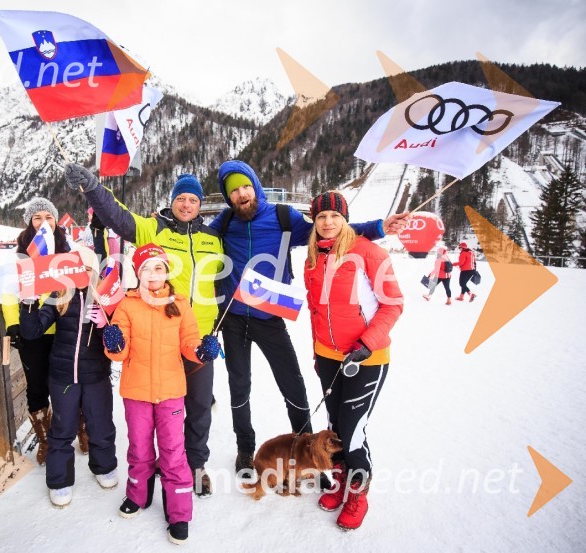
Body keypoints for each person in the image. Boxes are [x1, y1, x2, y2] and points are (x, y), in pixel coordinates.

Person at [210, 160, 407, 474]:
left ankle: (303, 445)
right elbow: (195, 242)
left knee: (292, 383)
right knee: (239, 385)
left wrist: (380, 227)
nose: (241, 193)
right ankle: (245, 448)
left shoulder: (281, 216)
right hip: (232, 317)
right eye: (233, 190)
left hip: (269, 315)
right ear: (227, 196)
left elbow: (330, 227)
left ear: (255, 185)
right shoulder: (224, 222)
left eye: (246, 186)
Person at [64, 164, 223, 496]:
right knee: (154, 410)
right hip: (158, 334)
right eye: (181, 197)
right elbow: (117, 216)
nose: (187, 204)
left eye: (193, 199)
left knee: (198, 407)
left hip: (197, 337)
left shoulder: (214, 238)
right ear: (173, 201)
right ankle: (148, 468)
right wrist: (92, 188)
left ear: (199, 204)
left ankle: (194, 465)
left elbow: (228, 279)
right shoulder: (155, 229)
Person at [101, 243, 221, 545]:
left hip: (170, 393)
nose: (152, 274)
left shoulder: (180, 304)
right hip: (136, 391)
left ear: (166, 271)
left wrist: (201, 351)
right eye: (145, 269)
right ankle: (138, 495)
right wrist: (114, 345)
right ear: (137, 274)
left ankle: (179, 513)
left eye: (157, 268)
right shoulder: (127, 306)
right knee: (139, 449)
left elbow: (189, 342)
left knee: (173, 452)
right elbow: (120, 350)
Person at [304, 191, 403, 531]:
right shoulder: (313, 258)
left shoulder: (369, 252)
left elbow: (393, 305)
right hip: (330, 358)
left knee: (352, 429)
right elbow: (316, 312)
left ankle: (359, 493)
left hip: (366, 358)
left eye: (334, 216)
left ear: (345, 219)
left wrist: (366, 343)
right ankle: (342, 480)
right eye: (321, 217)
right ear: (314, 223)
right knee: (335, 427)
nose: (327, 223)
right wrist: (317, 354)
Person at [19, 245, 118, 507]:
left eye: (88, 269)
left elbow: (118, 339)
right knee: (62, 429)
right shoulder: (59, 295)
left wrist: (104, 323)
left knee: (100, 425)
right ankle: (60, 480)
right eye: (78, 269)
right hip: (63, 377)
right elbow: (33, 331)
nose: (83, 274)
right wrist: (29, 303)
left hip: (96, 375)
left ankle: (104, 466)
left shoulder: (105, 299)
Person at [1, 198, 89, 465]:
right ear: (29, 222)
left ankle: (82, 428)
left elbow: (83, 285)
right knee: (37, 386)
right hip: (34, 329)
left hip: (65, 327)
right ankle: (46, 439)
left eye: (48, 217)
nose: (43, 223)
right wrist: (13, 324)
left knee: (72, 381)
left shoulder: (68, 250)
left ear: (56, 221)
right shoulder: (20, 255)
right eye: (37, 217)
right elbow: (8, 293)